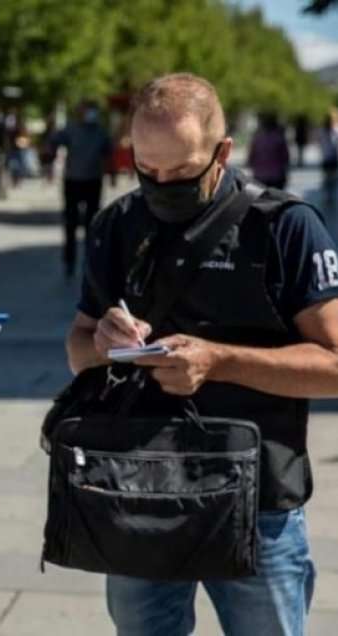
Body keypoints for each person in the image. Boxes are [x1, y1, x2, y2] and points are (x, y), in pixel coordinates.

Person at [67, 72, 338, 636]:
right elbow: (78, 346)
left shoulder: (286, 227)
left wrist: (219, 360)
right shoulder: (116, 225)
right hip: (139, 490)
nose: (162, 184)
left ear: (223, 152)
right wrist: (102, 342)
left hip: (259, 503)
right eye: (148, 169)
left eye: (183, 171)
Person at [50, 99, 112, 278]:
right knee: (70, 222)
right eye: (87, 110)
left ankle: (90, 261)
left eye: (92, 110)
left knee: (92, 224)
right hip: (73, 180)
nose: (90, 114)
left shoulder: (100, 132)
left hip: (93, 180)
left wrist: (112, 173)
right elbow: (54, 142)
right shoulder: (71, 129)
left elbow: (108, 153)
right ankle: (69, 261)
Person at [247, 112, 290, 189]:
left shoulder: (258, 138)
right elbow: (285, 157)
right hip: (276, 175)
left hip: (260, 175)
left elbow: (251, 156)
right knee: (276, 199)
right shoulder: (279, 138)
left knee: (262, 199)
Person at [318, 110, 338, 210]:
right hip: (330, 157)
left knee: (329, 177)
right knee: (330, 177)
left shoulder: (325, 130)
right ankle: (329, 194)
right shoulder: (333, 130)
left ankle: (328, 194)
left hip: (328, 157)